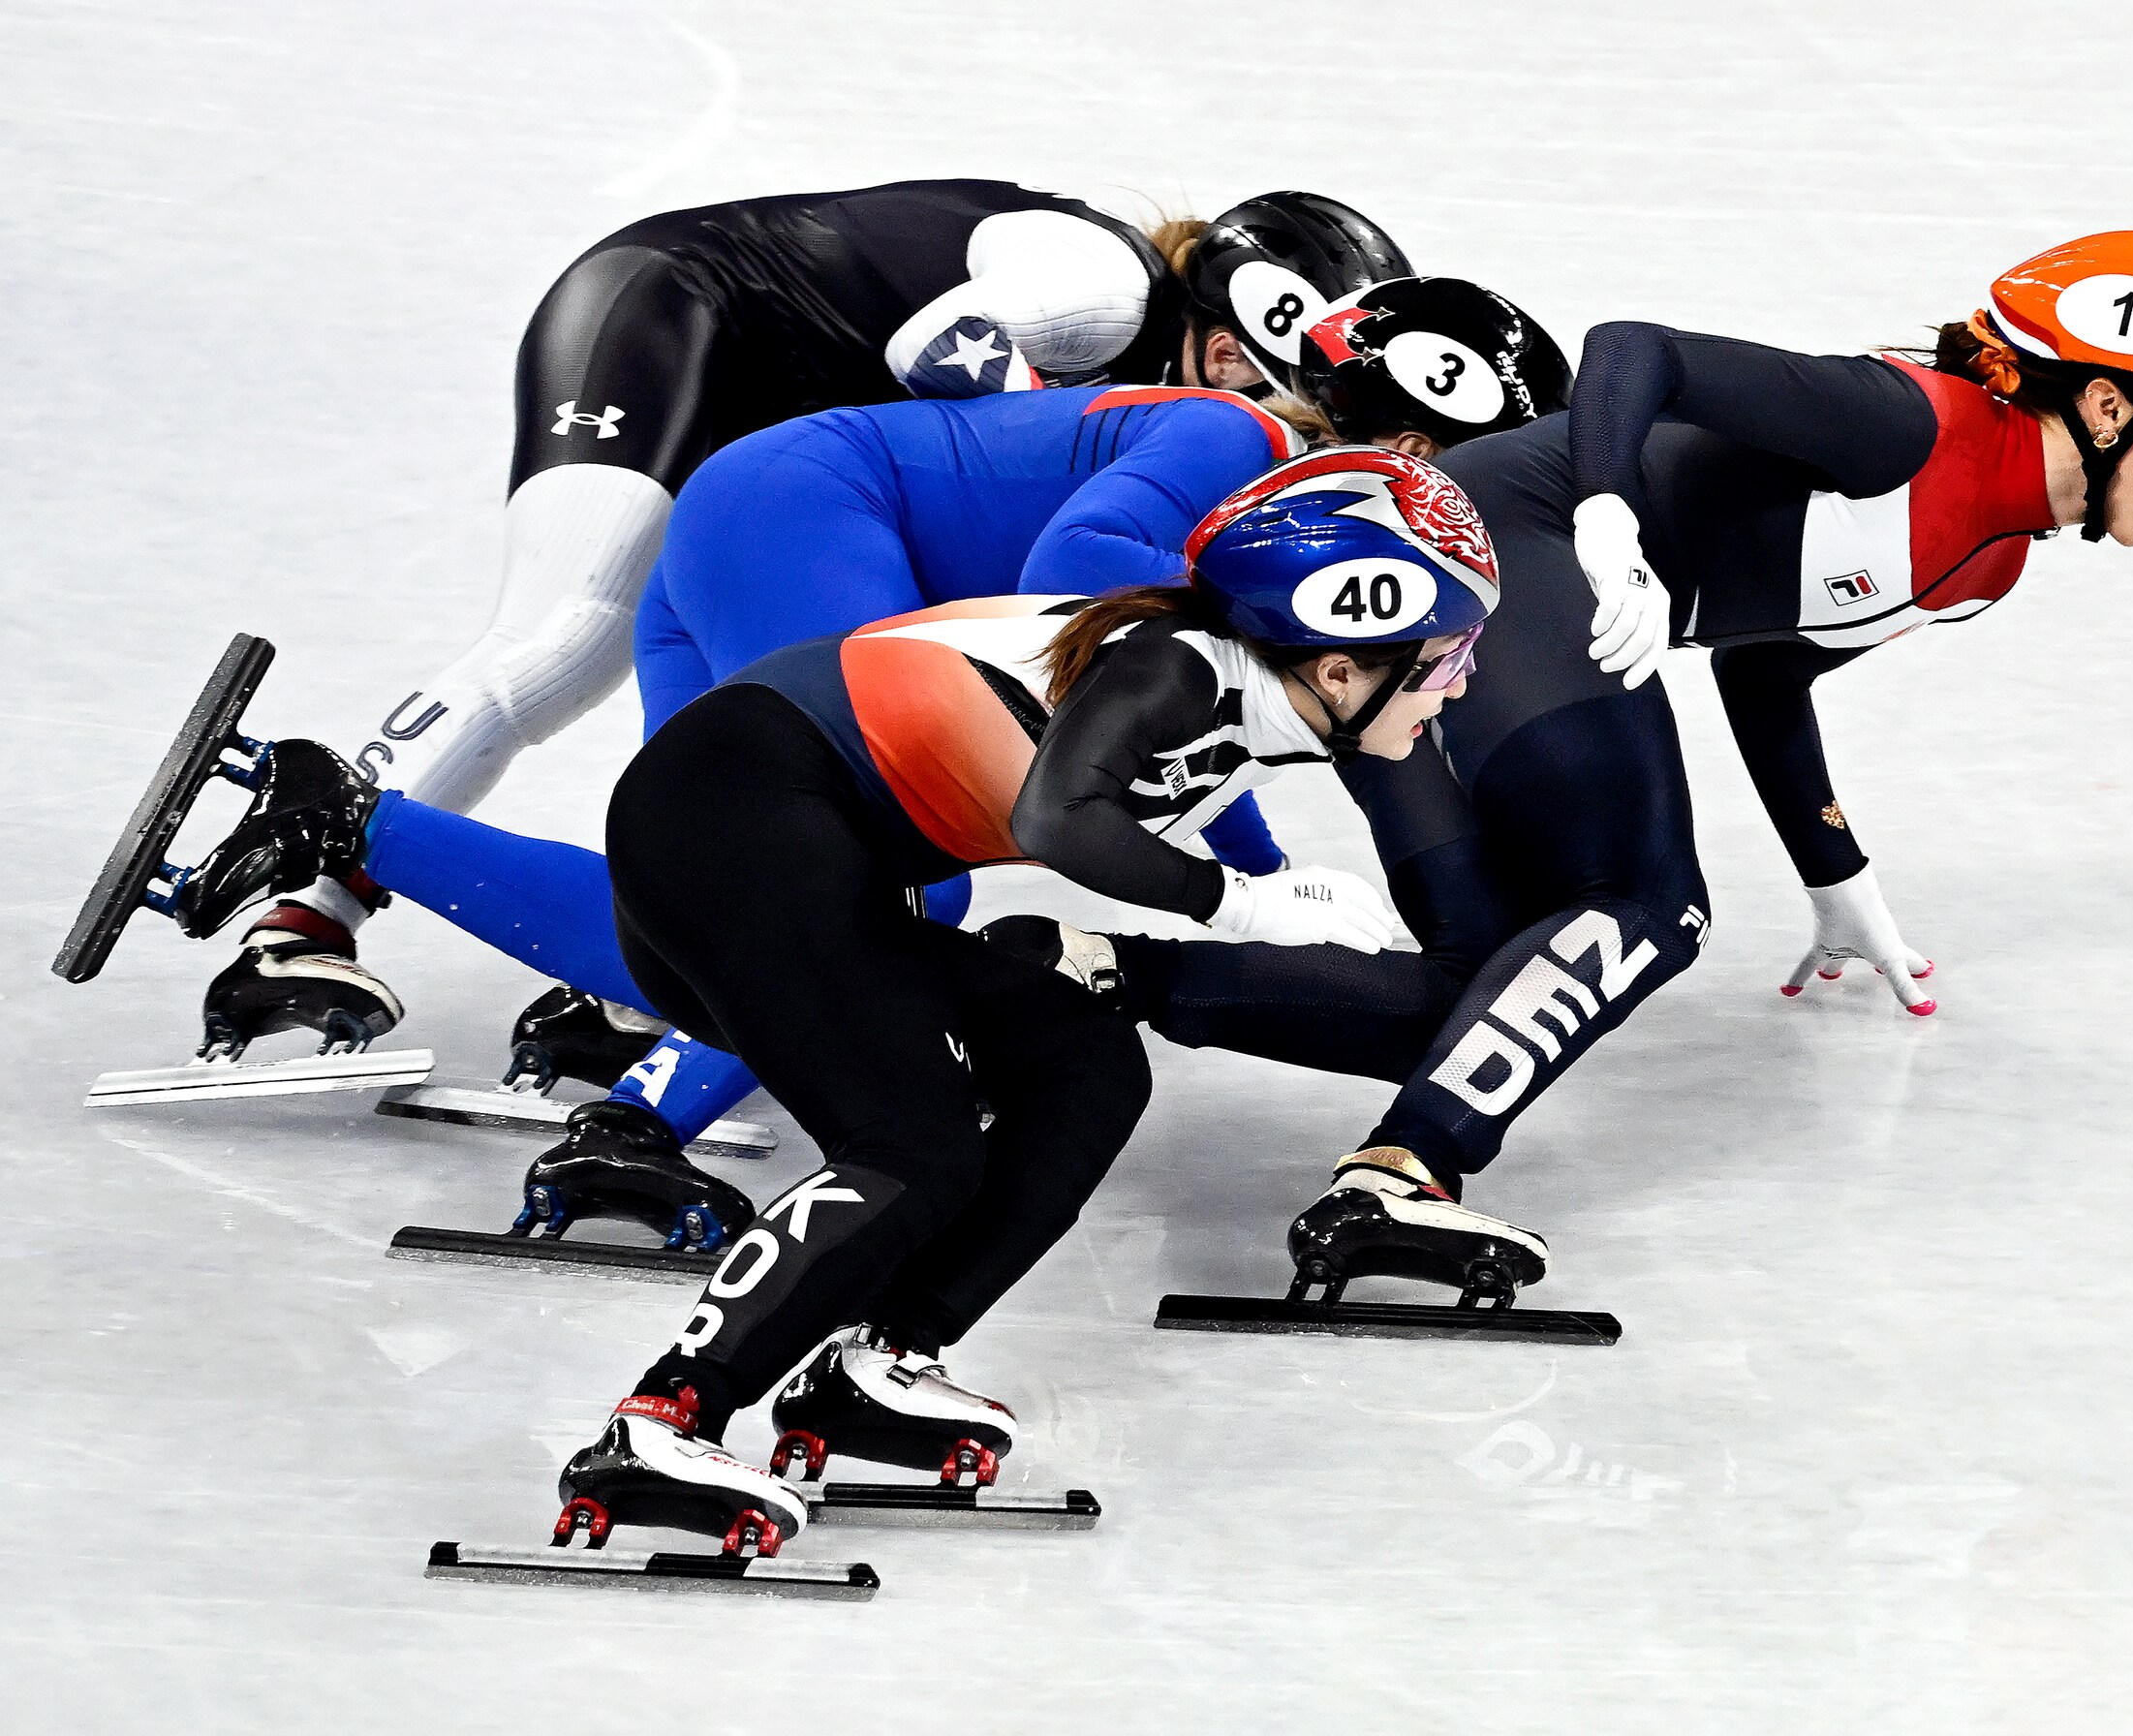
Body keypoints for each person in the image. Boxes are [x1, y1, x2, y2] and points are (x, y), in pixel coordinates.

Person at [152, 447, 1494, 1534]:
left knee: (1083, 1063)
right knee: (910, 1144)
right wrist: (1245, 904)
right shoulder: (1176, 666)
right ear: (1338, 656)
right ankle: (661, 1420)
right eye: (1443, 657)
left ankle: (875, 1364)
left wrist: (1247, 897)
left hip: (788, 839)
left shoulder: (1233, 695)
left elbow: (1067, 828)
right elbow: (1059, 816)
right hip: (745, 812)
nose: (1457, 683)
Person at [1003, 234, 2133, 1300]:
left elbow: (1765, 671)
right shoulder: (1909, 426)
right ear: (2107, 405)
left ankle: (1085, 972)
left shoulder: (1986, 563)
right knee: (1650, 903)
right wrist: (1606, 514)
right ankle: (1400, 1175)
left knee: (1473, 999)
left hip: (1452, 621)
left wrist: (1835, 874)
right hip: (1498, 559)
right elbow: (1632, 350)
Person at [201, 182, 1413, 1064]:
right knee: (567, 643)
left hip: (790, 466)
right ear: (1224, 341)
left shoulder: (1185, 415)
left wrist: (1262, 871)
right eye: (1301, 414)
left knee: (716, 871)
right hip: (676, 322)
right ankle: (307, 903)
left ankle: (623, 994)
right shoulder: (1108, 286)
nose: (1296, 451)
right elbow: (938, 353)